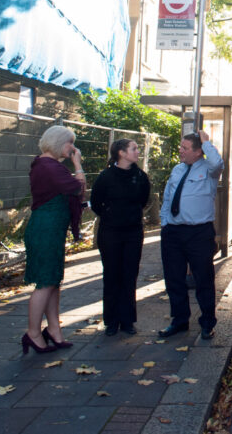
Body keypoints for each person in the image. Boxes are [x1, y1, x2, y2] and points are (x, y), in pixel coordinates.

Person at [22, 125, 86, 355]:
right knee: (45, 282)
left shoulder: (49, 165)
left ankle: (54, 329)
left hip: (52, 228)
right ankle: (33, 333)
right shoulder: (48, 166)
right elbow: (78, 187)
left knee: (53, 280)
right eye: (70, 142)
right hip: (46, 229)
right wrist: (78, 165)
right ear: (58, 142)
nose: (72, 147)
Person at [158, 129, 224, 340]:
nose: (180, 150)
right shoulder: (177, 169)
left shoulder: (209, 170)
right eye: (181, 146)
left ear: (197, 152)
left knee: (203, 279)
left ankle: (207, 323)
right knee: (174, 278)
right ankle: (179, 321)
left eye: (185, 148)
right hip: (173, 232)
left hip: (198, 233)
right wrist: (164, 223)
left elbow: (217, 163)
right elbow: (168, 197)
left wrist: (206, 142)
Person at [90, 138, 151, 336]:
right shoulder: (106, 176)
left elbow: (144, 200)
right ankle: (111, 321)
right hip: (110, 232)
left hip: (133, 232)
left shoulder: (140, 176)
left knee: (129, 274)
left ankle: (127, 320)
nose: (138, 151)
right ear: (122, 153)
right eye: (134, 149)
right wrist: (111, 216)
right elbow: (96, 202)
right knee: (111, 274)